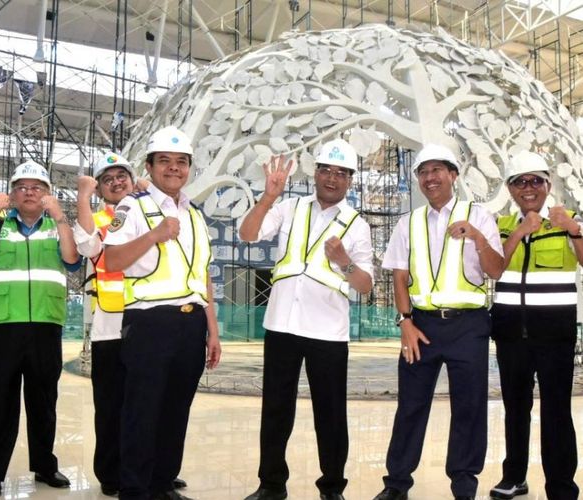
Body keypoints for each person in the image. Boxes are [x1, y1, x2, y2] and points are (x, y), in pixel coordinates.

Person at [239, 139, 374, 500]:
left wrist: (344, 261)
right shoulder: (289, 208)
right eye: (327, 170)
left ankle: (332, 487)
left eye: (341, 173)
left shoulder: (356, 226)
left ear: (350, 180)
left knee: (330, 415)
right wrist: (268, 197)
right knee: (275, 411)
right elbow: (247, 234)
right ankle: (271, 484)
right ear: (315, 173)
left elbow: (365, 286)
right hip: (282, 325)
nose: (332, 178)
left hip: (328, 332)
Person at [373, 143, 504, 500]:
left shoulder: (478, 216)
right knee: (411, 405)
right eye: (423, 172)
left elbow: (496, 270)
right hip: (422, 326)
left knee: (470, 406)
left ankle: (464, 484)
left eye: (437, 170)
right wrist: (405, 323)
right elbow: (399, 277)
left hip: (469, 326)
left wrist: (476, 237)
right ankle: (397, 484)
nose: (430, 178)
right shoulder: (408, 222)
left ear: (453, 175)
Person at [103, 126, 221, 500]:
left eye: (181, 162)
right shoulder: (133, 207)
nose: (174, 168)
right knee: (142, 411)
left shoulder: (196, 215)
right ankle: (135, 490)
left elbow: (203, 276)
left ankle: (163, 483)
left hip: (192, 322)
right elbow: (113, 259)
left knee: (176, 411)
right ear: (150, 166)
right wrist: (154, 234)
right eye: (165, 161)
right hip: (150, 322)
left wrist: (213, 330)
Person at [74, 152, 188, 497]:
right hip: (111, 327)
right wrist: (81, 197)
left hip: (148, 325)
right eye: (107, 180)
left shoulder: (151, 212)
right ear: (100, 189)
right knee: (111, 406)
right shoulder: (97, 218)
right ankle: (112, 474)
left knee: (149, 406)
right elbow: (85, 244)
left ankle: (150, 470)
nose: (116, 183)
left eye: (121, 176)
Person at [0, 160, 81, 499]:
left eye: (37, 187)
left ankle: (45, 466)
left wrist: (61, 216)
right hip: (3, 325)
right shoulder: (0, 226)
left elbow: (72, 258)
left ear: (48, 194)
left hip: (46, 324)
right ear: (12, 195)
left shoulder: (56, 225)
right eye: (22, 187)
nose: (29, 192)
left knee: (44, 402)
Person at [488, 151, 581, 500]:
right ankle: (514, 477)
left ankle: (561, 485)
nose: (528, 188)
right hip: (511, 333)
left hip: (554, 336)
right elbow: (493, 267)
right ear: (511, 189)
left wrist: (573, 230)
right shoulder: (501, 225)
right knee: (515, 407)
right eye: (520, 182)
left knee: (556, 409)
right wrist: (522, 231)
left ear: (548, 185)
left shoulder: (568, 220)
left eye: (535, 181)